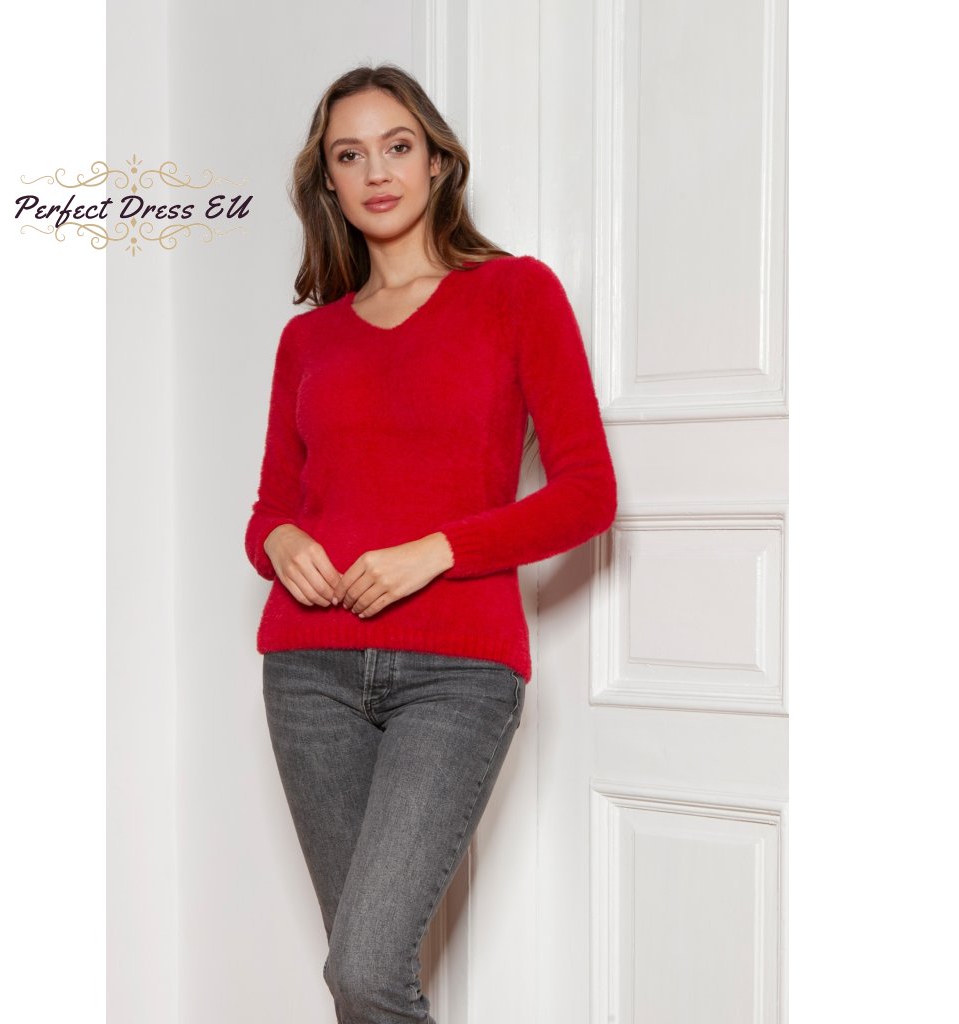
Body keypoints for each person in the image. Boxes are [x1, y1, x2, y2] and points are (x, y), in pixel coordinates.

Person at [245, 62, 617, 1023]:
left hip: (457, 673)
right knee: (361, 980)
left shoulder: (516, 294)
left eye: (398, 146)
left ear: (439, 161)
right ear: (327, 183)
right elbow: (269, 510)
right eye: (350, 155)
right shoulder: (309, 340)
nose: (377, 171)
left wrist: (437, 551)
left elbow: (588, 495)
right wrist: (280, 543)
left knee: (366, 970)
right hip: (309, 674)